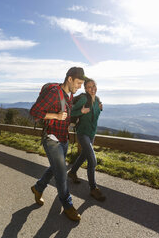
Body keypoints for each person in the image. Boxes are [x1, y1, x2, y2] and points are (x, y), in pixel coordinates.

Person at [30, 67, 86, 222]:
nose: (79, 86)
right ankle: (68, 205)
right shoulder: (54, 93)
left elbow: (68, 112)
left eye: (81, 84)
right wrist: (56, 116)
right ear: (69, 79)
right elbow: (34, 112)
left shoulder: (71, 93)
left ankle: (38, 187)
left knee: (55, 168)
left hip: (63, 138)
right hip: (52, 138)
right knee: (61, 174)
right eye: (78, 83)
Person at [67, 78, 106, 201]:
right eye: (89, 86)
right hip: (82, 133)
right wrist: (81, 111)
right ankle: (93, 188)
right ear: (85, 89)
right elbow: (70, 112)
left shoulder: (97, 100)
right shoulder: (84, 99)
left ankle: (72, 172)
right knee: (92, 161)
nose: (92, 88)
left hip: (91, 133)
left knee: (84, 155)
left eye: (94, 85)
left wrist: (100, 109)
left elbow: (95, 117)